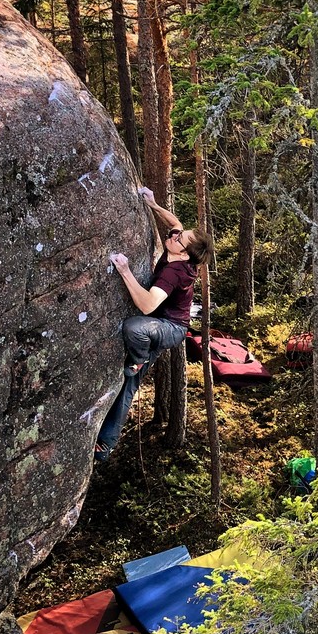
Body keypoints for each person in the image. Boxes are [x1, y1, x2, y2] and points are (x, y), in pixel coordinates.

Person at [94, 187, 215, 462]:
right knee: (128, 386)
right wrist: (153, 204)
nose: (173, 236)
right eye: (178, 236)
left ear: (185, 254)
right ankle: (105, 446)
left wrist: (124, 271)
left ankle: (139, 357)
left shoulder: (176, 271)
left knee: (134, 327)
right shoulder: (179, 250)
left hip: (169, 328)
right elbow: (175, 223)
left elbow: (147, 305)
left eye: (178, 240)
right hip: (160, 325)